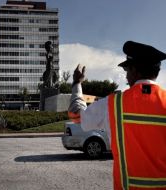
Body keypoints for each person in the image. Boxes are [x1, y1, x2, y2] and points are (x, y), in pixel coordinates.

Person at [68, 41, 166, 190]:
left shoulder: (113, 104)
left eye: (127, 70)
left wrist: (76, 83)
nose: (126, 76)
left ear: (135, 70)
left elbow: (76, 115)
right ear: (156, 72)